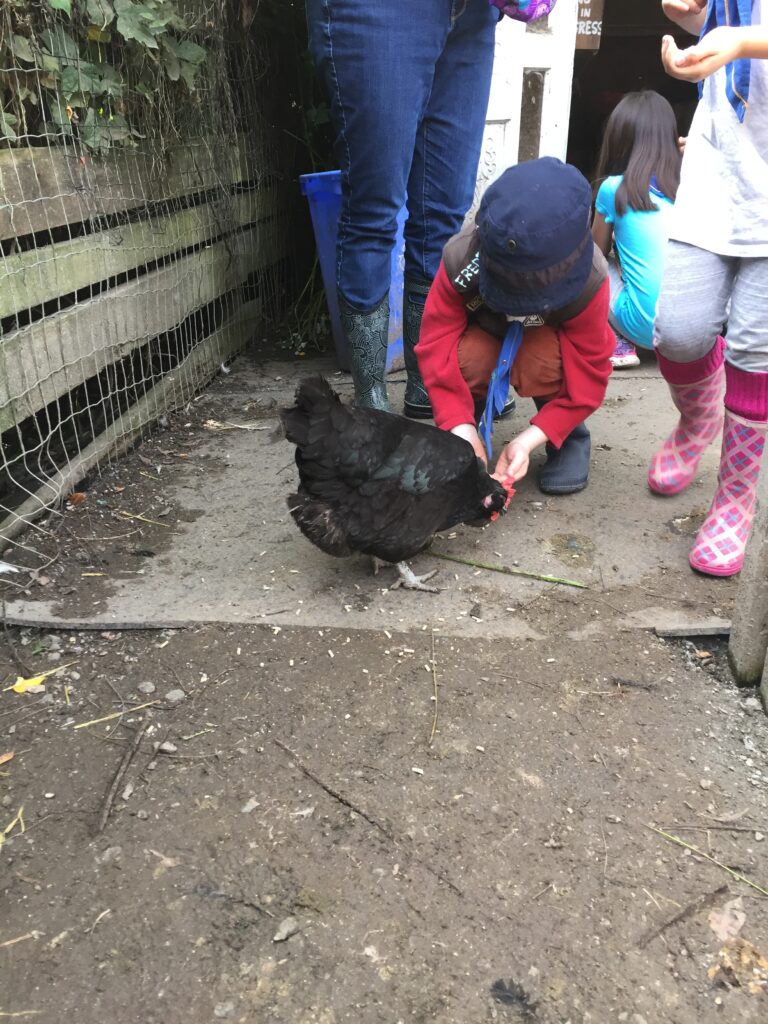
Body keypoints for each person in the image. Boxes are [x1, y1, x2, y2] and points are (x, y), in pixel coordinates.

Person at [304, 1, 556, 416]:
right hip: (383, 12)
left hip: (474, 13)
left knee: (442, 216)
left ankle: (429, 384)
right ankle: (371, 407)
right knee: (373, 212)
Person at [648, 0, 768, 577]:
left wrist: (742, 43)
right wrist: (691, 19)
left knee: (754, 349)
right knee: (679, 332)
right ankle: (698, 420)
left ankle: (734, 499)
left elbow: (744, 39)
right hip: (718, 176)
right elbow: (715, 21)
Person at [415, 157, 615, 495]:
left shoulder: (590, 280)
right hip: (485, 337)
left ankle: (567, 436)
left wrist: (529, 439)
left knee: (540, 358)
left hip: (543, 343)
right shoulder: (461, 260)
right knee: (471, 356)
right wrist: (457, 424)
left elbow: (590, 372)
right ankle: (469, 430)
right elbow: (435, 345)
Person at [591, 91, 682, 369]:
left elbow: (594, 254)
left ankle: (615, 338)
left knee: (587, 258)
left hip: (642, 327)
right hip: (697, 330)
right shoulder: (692, 184)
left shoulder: (613, 188)